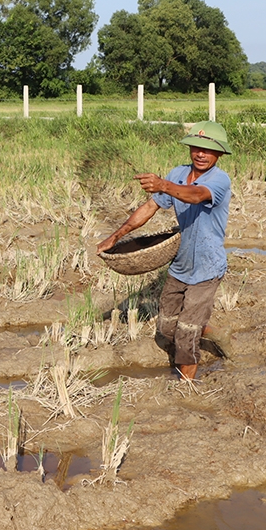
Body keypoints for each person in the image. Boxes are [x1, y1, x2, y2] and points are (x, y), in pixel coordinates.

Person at [96, 121, 233, 380]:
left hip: (207, 267)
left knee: (186, 334)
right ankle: (211, 331)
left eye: (208, 149)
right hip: (180, 265)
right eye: (196, 147)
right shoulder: (177, 174)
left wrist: (163, 185)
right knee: (167, 329)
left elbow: (195, 195)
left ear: (220, 154)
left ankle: (186, 386)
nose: (200, 154)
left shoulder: (219, 179)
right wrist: (116, 236)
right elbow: (149, 208)